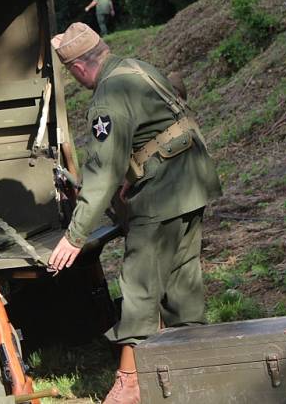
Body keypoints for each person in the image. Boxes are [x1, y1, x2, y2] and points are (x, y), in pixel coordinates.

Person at [48, 23, 222, 404]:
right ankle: (191, 370)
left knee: (139, 286)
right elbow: (162, 120)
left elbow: (102, 173)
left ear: (77, 69)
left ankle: (130, 384)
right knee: (181, 282)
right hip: (193, 180)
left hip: (164, 194)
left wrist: (74, 236)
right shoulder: (137, 67)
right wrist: (137, 171)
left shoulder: (108, 96)